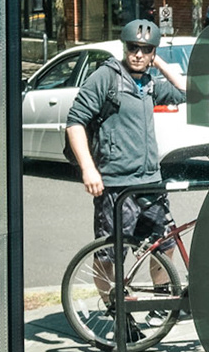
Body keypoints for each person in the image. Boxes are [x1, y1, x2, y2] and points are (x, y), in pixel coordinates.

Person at [64, 19, 189, 316]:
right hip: (116, 185)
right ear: (124, 47)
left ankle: (160, 302)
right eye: (133, 47)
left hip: (150, 181)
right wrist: (89, 169)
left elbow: (185, 91)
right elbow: (75, 122)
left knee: (163, 246)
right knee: (111, 253)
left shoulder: (148, 83)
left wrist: (159, 63)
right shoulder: (106, 77)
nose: (138, 54)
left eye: (145, 50)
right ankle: (115, 312)